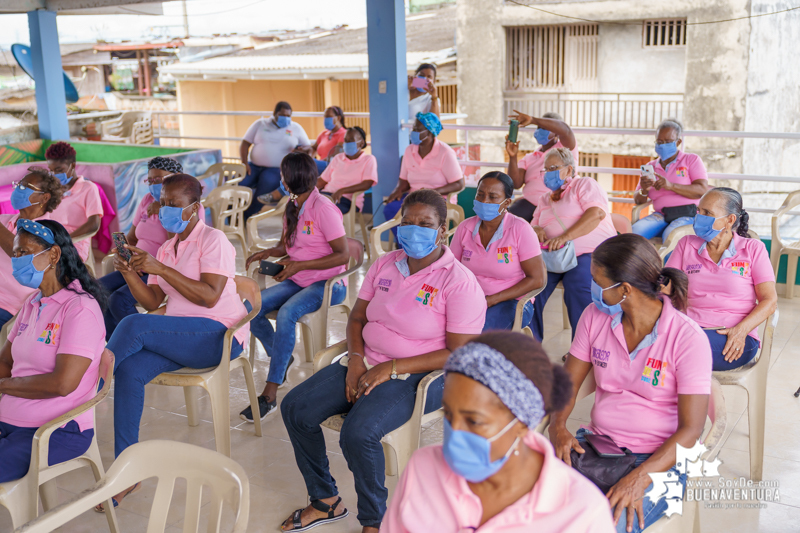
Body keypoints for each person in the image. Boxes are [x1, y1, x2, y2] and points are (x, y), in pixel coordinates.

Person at [279, 190, 487, 533]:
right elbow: (357, 319)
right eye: (407, 222)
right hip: (365, 361)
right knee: (296, 409)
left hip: (422, 376)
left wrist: (390, 369)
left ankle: (375, 520)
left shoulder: (459, 282)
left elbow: (459, 353)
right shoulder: (385, 263)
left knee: (358, 433)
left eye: (426, 223)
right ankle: (325, 500)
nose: (414, 230)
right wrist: (358, 359)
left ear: (443, 230)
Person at [104, 174, 249, 509]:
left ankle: (87, 382)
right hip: (182, 336)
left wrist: (161, 269)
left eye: (174, 204)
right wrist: (128, 271)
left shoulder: (214, 241)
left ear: (195, 208)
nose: (166, 210)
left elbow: (210, 297)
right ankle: (127, 472)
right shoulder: (168, 248)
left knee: (133, 325)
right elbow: (154, 301)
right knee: (130, 370)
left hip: (218, 335)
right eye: (163, 204)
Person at [550, 234, 712, 533]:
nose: (592, 289)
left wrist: (641, 477)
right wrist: (558, 427)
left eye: (597, 281)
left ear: (624, 289)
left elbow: (692, 430)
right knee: (528, 503)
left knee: (605, 526)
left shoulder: (687, 338)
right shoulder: (594, 316)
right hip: (599, 448)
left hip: (662, 461)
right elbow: (566, 386)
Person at [382, 332, 615, 533]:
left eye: (474, 421)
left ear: (522, 423)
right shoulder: (422, 468)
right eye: (449, 416)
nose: (455, 433)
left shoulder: (581, 511)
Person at [238, 153, 350, 422]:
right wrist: (269, 252)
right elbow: (289, 247)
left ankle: (270, 394)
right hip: (298, 279)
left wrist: (299, 266)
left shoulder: (323, 208)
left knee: (288, 313)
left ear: (290, 179)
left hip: (328, 284)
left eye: (282, 174)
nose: (280, 179)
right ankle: (281, 356)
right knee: (251, 306)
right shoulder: (293, 205)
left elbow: (343, 255)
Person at [0, 219, 108, 482]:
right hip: (9, 419)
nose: (16, 261)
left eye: (23, 253)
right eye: (15, 254)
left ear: (54, 254)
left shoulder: (79, 309)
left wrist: (3, 386)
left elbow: (62, 384)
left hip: (54, 430)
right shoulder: (33, 302)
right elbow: (5, 360)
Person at [666, 188, 777, 371]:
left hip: (733, 336)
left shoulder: (753, 249)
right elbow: (666, 287)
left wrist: (741, 331)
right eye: (699, 211)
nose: (699, 217)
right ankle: (708, 396)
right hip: (688, 328)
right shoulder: (686, 244)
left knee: (673, 350)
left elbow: (769, 300)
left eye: (707, 213)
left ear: (730, 220)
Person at [530, 148, 616, 341]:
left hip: (587, 253)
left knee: (576, 284)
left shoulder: (584, 185)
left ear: (569, 170)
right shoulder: (545, 198)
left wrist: (564, 237)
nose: (547, 173)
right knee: (534, 286)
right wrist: (537, 230)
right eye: (545, 169)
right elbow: (533, 225)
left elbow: (596, 214)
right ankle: (532, 344)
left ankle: (582, 348)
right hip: (553, 255)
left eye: (553, 168)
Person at [449, 172, 546, 332]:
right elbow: (452, 270)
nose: (484, 201)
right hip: (470, 298)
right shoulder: (465, 228)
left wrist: (492, 300)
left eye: (492, 197)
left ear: (507, 202)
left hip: (511, 302)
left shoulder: (520, 229)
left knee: (475, 333)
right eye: (480, 195)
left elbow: (537, 279)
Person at [98, 157, 180, 340]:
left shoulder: (184, 204)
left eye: (159, 180)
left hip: (161, 271)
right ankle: (116, 342)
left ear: (176, 177)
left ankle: (147, 340)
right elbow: (133, 237)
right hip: (136, 266)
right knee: (96, 290)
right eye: (150, 180)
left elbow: (177, 248)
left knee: (118, 300)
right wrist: (122, 249)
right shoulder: (147, 200)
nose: (153, 185)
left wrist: (164, 211)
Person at [0, 167, 63, 330]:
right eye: (18, 185)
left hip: (10, 306)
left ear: (45, 198)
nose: (18, 190)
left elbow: (18, 252)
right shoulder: (5, 220)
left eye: (25, 186)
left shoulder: (48, 232)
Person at [632, 120, 710, 241]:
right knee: (633, 233)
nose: (662, 145)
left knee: (671, 236)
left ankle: (668, 261)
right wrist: (644, 190)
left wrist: (671, 186)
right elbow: (638, 199)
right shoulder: (651, 166)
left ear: (678, 142)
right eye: (659, 141)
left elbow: (702, 190)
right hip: (660, 215)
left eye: (668, 142)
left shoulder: (691, 160)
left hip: (686, 215)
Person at [384, 112, 464, 228]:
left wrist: (431, 192)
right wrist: (398, 190)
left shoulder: (445, 152)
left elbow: (459, 184)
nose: (413, 132)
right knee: (391, 209)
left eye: (418, 129)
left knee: (419, 216)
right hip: (414, 197)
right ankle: (404, 242)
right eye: (413, 128)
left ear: (430, 132)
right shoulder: (409, 151)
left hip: (439, 198)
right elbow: (404, 181)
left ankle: (421, 244)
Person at [239, 101, 312, 218]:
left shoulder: (296, 128)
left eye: (289, 116)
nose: (286, 118)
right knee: (239, 182)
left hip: (276, 169)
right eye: (283, 115)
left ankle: (245, 217)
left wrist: (302, 149)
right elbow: (245, 143)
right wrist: (244, 163)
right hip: (253, 166)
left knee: (265, 187)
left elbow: (308, 147)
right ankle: (230, 215)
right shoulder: (260, 124)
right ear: (275, 113)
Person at [505, 111, 579, 223]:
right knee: (507, 222)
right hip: (529, 204)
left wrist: (533, 120)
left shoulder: (564, 149)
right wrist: (513, 156)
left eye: (544, 128)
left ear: (556, 133)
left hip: (556, 202)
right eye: (538, 127)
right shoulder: (529, 157)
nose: (539, 130)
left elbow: (566, 130)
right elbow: (516, 183)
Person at [46, 141, 103, 262]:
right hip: (53, 241)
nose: (55, 175)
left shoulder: (88, 188)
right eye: (51, 171)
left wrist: (66, 240)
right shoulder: (53, 191)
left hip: (75, 243)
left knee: (52, 264)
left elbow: (94, 224)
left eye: (59, 170)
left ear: (72, 165)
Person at [317, 126, 378, 215]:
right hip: (326, 195)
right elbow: (322, 181)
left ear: (361, 143)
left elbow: (367, 184)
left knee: (323, 211)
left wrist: (342, 191)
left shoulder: (368, 159)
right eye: (345, 140)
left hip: (346, 200)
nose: (347, 143)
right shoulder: (338, 158)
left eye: (351, 140)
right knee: (303, 206)